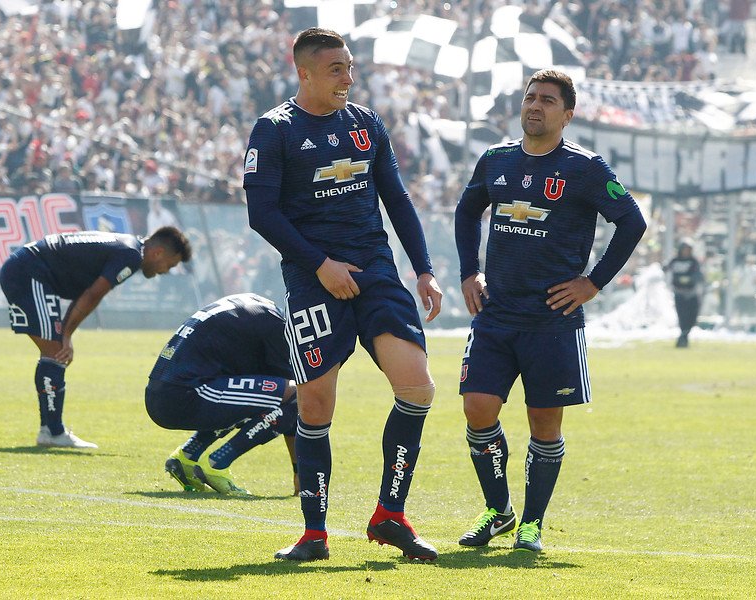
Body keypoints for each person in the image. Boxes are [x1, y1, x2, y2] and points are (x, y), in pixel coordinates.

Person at [244, 28, 444, 562]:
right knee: (315, 404)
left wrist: (423, 270)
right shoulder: (274, 130)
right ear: (304, 72)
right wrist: (320, 264)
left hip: (376, 272)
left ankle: (390, 515)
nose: (348, 79)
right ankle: (314, 535)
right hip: (314, 281)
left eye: (350, 68)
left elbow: (397, 199)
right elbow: (261, 214)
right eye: (336, 69)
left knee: (418, 388)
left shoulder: (366, 123)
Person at [454, 70, 647, 552]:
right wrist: (467, 271)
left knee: (545, 422)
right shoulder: (496, 160)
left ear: (567, 114)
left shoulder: (585, 168)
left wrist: (593, 282)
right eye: (529, 98)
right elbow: (466, 210)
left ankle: (532, 524)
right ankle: (498, 510)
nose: (535, 106)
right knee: (477, 408)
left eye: (547, 101)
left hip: (552, 321)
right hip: (496, 314)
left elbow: (632, 222)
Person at [0, 227, 192, 448]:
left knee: (54, 353)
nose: (166, 271)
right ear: (157, 253)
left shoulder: (128, 246)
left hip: (28, 270)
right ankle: (52, 432)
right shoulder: (131, 255)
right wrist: (66, 336)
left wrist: (65, 334)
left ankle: (51, 430)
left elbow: (87, 294)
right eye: (170, 264)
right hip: (29, 272)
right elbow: (93, 295)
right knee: (55, 353)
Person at [145, 293, 299, 495]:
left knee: (251, 396)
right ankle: (217, 463)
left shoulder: (253, 307)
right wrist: (300, 472)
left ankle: (187, 457)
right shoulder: (276, 324)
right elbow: (294, 401)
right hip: (186, 395)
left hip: (159, 394)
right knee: (297, 394)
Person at [665, 241, 704, 347]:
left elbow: (699, 275)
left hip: (692, 293)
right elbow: (666, 268)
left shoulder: (693, 261)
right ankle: (683, 337)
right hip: (679, 292)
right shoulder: (675, 261)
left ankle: (684, 336)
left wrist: (691, 279)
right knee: (682, 316)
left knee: (692, 316)